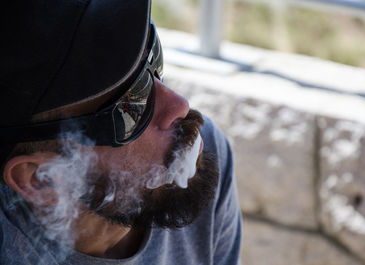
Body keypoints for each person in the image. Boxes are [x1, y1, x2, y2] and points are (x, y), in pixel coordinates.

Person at [0, 0, 242, 264]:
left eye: (153, 57)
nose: (180, 105)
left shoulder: (208, 153)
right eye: (131, 107)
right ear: (42, 179)